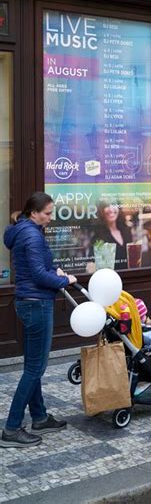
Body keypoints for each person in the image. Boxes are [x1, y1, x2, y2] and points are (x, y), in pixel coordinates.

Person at [0, 192, 77, 448]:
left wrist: (53, 270)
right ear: (33, 213)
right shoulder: (32, 234)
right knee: (35, 368)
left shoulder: (23, 230)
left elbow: (39, 268)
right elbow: (37, 275)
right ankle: (12, 428)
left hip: (28, 302)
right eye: (47, 213)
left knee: (32, 366)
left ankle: (40, 416)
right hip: (36, 304)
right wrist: (64, 280)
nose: (50, 217)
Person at [94, 202, 132, 269]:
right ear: (101, 211)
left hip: (130, 277)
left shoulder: (126, 231)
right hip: (112, 278)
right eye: (106, 206)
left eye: (114, 204)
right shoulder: (98, 237)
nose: (111, 209)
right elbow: (92, 263)